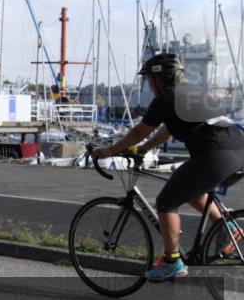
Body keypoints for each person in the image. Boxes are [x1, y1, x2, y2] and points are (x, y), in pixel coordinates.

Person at [93, 52, 244, 281]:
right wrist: (144, 148)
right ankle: (227, 228)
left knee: (166, 202)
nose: (149, 85)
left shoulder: (166, 97)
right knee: (191, 190)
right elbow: (169, 129)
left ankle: (172, 261)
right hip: (237, 151)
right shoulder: (192, 92)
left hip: (215, 155)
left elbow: (138, 130)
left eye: (149, 80)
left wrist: (110, 151)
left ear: (159, 78)